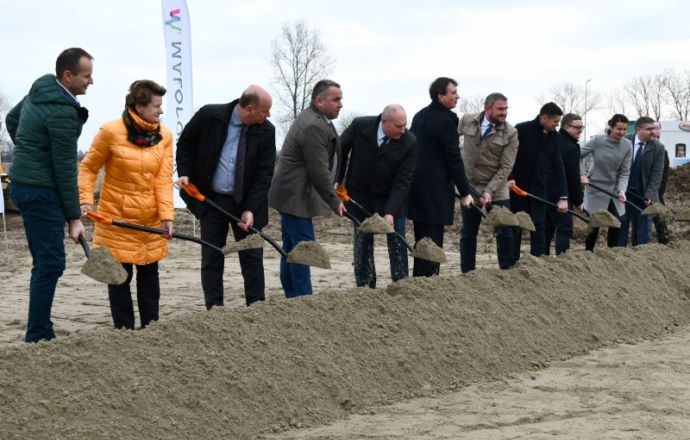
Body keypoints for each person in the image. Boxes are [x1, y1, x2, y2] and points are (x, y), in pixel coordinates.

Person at [7, 48, 93, 342]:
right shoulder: (63, 113)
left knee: (44, 260)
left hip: (22, 185)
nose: (91, 81)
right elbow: (66, 170)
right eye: (86, 75)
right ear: (67, 76)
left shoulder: (41, 86)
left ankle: (39, 328)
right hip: (41, 191)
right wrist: (73, 218)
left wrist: (29, 154)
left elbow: (11, 119)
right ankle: (38, 334)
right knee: (51, 262)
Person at [79, 80, 173, 330]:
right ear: (140, 106)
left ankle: (152, 330)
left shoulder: (164, 136)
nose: (161, 111)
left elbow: (164, 179)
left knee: (149, 277)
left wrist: (167, 217)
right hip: (116, 220)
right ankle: (124, 334)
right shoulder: (110, 131)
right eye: (156, 105)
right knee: (119, 279)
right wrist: (86, 201)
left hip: (149, 222)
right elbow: (88, 168)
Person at [176, 85, 275, 309]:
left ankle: (256, 307)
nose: (268, 115)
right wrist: (184, 173)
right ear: (249, 109)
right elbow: (185, 145)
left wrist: (250, 208)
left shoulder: (267, 131)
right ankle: (214, 309)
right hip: (211, 201)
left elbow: (264, 173)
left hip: (247, 203)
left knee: (251, 258)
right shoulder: (209, 116)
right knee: (212, 257)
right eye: (265, 111)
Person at [268, 79, 346, 297]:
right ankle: (303, 301)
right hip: (295, 197)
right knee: (304, 250)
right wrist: (334, 202)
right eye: (336, 99)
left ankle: (293, 297)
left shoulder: (318, 119)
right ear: (319, 101)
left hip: (292, 195)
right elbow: (318, 171)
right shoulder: (313, 125)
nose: (341, 104)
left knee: (292, 248)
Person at [337, 104, 416, 287]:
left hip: (391, 198)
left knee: (397, 241)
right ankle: (365, 286)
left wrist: (390, 212)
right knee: (363, 242)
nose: (403, 130)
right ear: (384, 121)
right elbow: (339, 151)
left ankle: (401, 284)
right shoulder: (360, 126)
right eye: (398, 126)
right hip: (359, 195)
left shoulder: (409, 141)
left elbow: (403, 181)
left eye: (404, 125)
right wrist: (337, 179)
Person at [408, 77, 472, 277]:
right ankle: (428, 284)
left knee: (422, 240)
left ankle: (420, 280)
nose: (457, 96)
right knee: (433, 241)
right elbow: (453, 158)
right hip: (434, 190)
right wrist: (465, 192)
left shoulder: (420, 115)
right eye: (453, 93)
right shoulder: (446, 119)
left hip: (416, 188)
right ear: (440, 96)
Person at [457, 92, 517, 272]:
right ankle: (468, 273)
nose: (504, 112)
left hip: (497, 188)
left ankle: (506, 271)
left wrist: (490, 190)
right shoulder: (467, 120)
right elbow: (449, 138)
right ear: (487, 108)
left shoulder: (511, 133)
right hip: (469, 186)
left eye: (506, 108)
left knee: (504, 231)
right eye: (500, 109)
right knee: (468, 232)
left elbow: (506, 167)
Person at [508, 103, 568, 262]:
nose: (557, 125)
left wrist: (563, 196)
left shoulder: (555, 137)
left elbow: (558, 165)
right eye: (555, 121)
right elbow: (508, 157)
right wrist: (510, 177)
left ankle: (537, 264)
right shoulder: (521, 130)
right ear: (544, 117)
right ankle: (511, 265)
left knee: (539, 228)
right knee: (516, 227)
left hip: (540, 190)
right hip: (517, 189)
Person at [580, 114, 632, 251]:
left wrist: (622, 190)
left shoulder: (627, 145)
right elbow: (576, 156)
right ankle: (588, 253)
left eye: (624, 129)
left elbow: (625, 171)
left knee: (616, 223)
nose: (622, 132)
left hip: (614, 190)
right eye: (619, 129)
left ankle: (612, 255)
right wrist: (582, 175)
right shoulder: (598, 140)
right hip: (595, 188)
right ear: (611, 126)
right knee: (594, 224)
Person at [618, 116, 665, 247]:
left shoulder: (658, 148)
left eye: (654, 128)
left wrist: (649, 195)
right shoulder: (624, 141)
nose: (653, 132)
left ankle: (642, 259)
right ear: (639, 129)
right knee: (621, 226)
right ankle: (618, 257)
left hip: (644, 196)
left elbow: (657, 175)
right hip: (624, 194)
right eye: (649, 129)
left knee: (643, 232)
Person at [544, 113, 584, 255]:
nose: (580, 130)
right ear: (566, 126)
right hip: (563, 194)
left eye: (582, 127)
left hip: (545, 192)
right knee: (564, 229)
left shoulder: (551, 138)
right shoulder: (571, 147)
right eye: (577, 127)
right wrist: (579, 201)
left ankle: (542, 259)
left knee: (546, 228)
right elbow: (573, 177)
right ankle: (563, 262)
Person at [651, 122, 670, 244]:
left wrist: (658, 193)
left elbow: (664, 175)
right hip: (641, 191)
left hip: (657, 193)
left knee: (660, 219)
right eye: (654, 137)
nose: (657, 139)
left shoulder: (663, 152)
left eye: (658, 137)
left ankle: (664, 242)